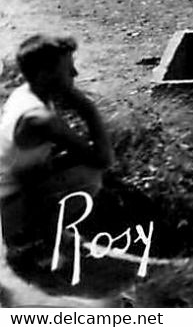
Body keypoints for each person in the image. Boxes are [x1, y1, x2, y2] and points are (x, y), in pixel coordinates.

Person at [1, 34, 116, 267]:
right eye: (68, 69)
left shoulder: (25, 93)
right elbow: (104, 159)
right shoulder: (41, 118)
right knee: (88, 176)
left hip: (13, 188)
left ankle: (43, 234)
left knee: (72, 165)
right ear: (44, 74)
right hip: (8, 209)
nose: (75, 74)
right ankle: (36, 243)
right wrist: (89, 108)